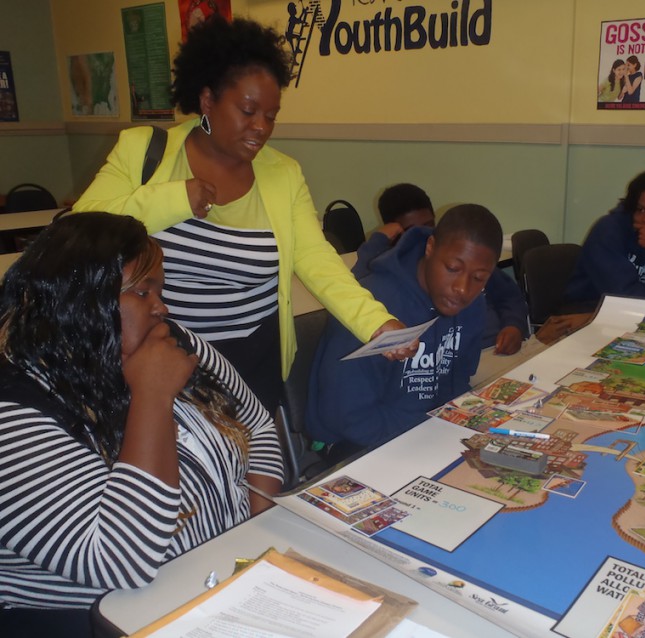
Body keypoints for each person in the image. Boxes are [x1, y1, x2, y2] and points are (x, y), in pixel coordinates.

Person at [73, 16, 410, 414]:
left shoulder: (283, 174)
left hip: (253, 362)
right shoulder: (144, 151)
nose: (261, 128)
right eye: (248, 110)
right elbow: (79, 233)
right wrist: (177, 199)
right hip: (161, 357)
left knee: (256, 471)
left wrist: (375, 322)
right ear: (207, 100)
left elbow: (317, 259)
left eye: (271, 115)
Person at [0, 213, 284, 637]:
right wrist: (153, 396)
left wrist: (251, 538)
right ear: (79, 303)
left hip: (216, 582)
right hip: (97, 618)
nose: (162, 307)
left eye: (160, 289)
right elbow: (120, 560)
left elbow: (258, 425)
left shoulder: (173, 340)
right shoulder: (15, 412)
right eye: (142, 291)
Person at [307, 204, 503, 463]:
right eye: (453, 268)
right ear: (430, 247)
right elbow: (346, 414)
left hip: (424, 431)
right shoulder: (370, 307)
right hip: (354, 443)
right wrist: (423, 436)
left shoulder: (471, 305)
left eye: (478, 278)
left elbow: (457, 381)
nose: (462, 289)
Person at [353, 183, 529, 355]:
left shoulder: (469, 258)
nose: (422, 233)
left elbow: (510, 296)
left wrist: (514, 324)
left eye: (429, 225)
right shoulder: (387, 274)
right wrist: (378, 239)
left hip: (486, 354)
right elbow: (356, 289)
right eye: (411, 230)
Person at [537, 170, 645, 345]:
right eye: (641, 210)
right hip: (586, 309)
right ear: (631, 206)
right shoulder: (608, 230)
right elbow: (621, 295)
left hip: (632, 312)